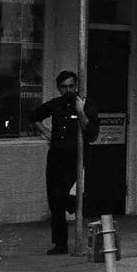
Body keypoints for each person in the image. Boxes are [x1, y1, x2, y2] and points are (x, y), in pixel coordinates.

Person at [31, 70, 99, 254]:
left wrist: (81, 113)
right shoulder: (56, 104)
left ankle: (72, 211)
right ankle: (60, 243)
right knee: (54, 200)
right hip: (56, 157)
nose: (68, 90)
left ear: (76, 86)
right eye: (64, 87)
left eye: (71, 86)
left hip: (76, 158)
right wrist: (47, 133)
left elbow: (92, 133)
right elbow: (34, 116)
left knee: (71, 197)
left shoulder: (86, 104)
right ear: (58, 87)